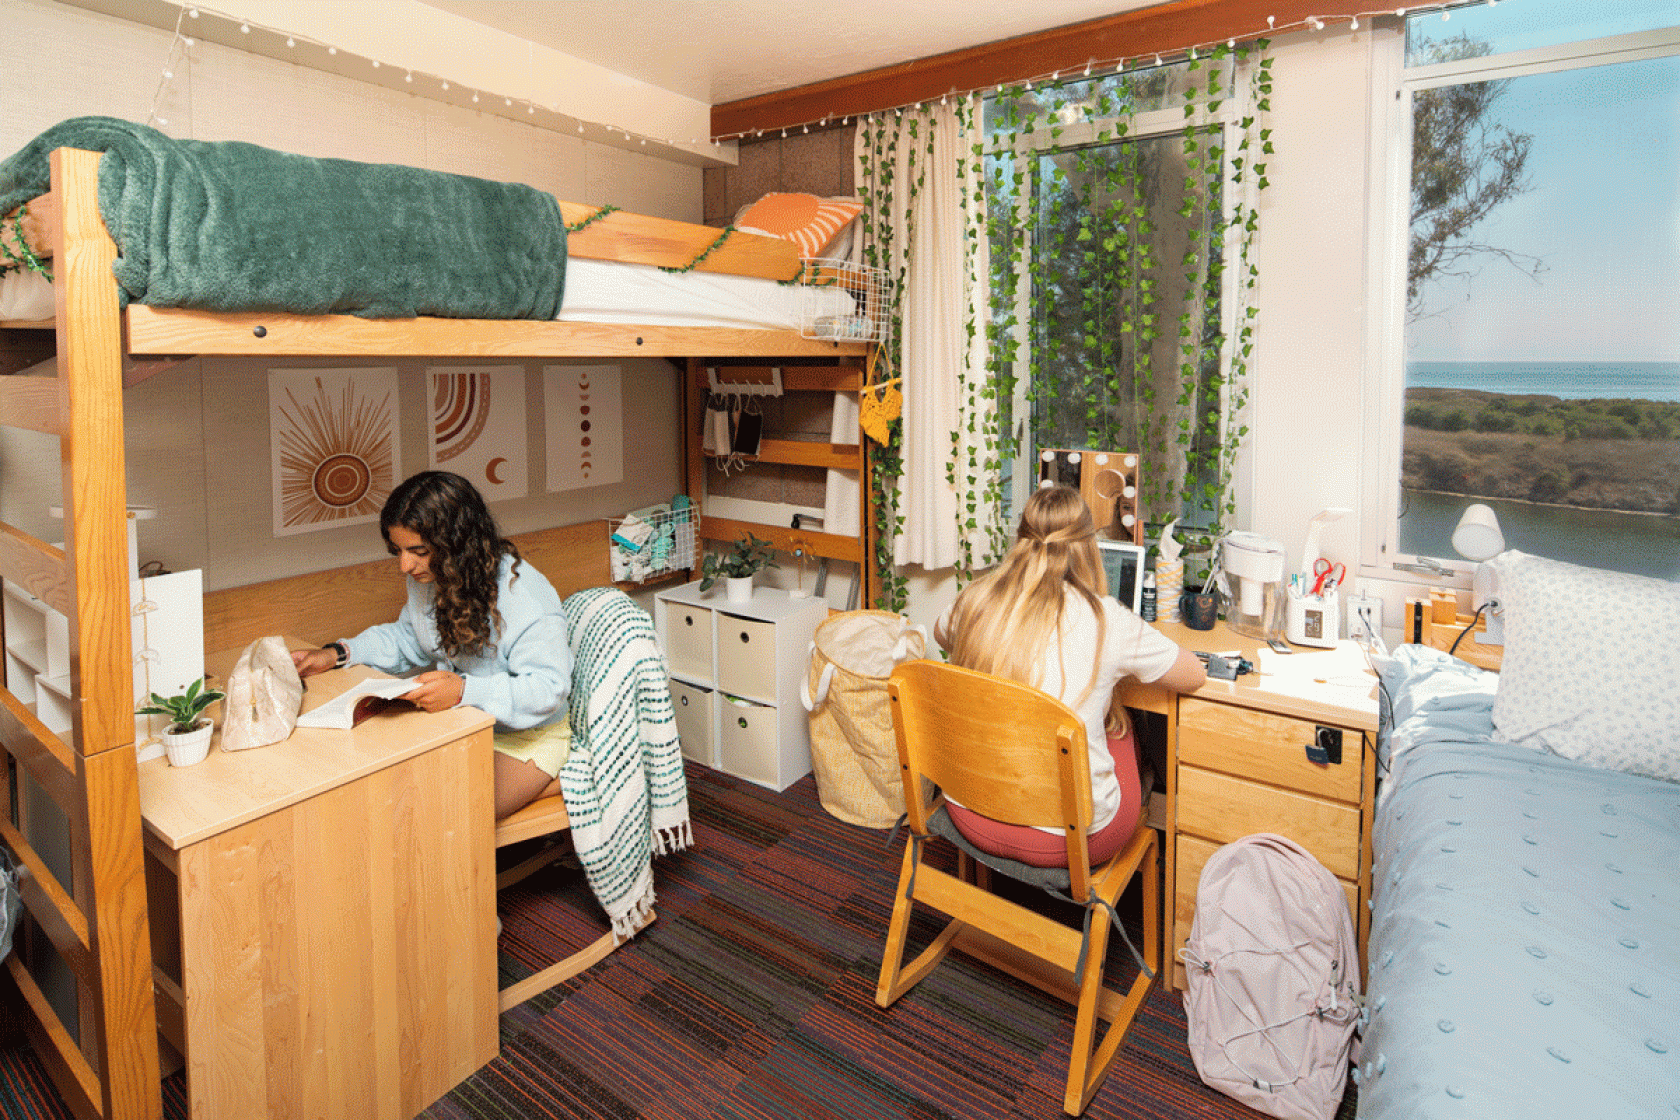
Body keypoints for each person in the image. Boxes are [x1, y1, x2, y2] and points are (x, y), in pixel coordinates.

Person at [934, 484, 1206, 867]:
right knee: (1119, 726)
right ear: (1086, 545)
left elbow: (942, 633)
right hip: (1071, 839)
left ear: (1020, 539)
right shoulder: (1106, 618)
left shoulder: (975, 600)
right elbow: (1193, 675)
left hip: (969, 810)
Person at [292, 470, 572, 820]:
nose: (404, 566)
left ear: (459, 542)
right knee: (390, 798)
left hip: (528, 733)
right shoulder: (432, 577)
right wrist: (335, 654)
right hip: (463, 720)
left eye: (418, 551)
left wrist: (463, 692)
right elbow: (410, 638)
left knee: (447, 818)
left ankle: (560, 778)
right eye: (398, 551)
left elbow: (549, 689)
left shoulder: (523, 594)